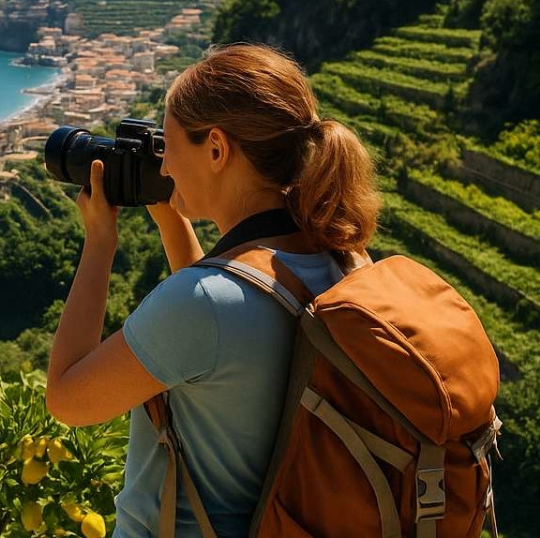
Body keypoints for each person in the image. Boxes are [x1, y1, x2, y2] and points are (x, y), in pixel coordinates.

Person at [45, 44, 379, 537]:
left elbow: (67, 399)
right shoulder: (345, 262)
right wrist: (170, 217)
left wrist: (99, 242)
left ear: (217, 150)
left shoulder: (204, 305)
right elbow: (225, 316)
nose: (164, 167)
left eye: (169, 146)